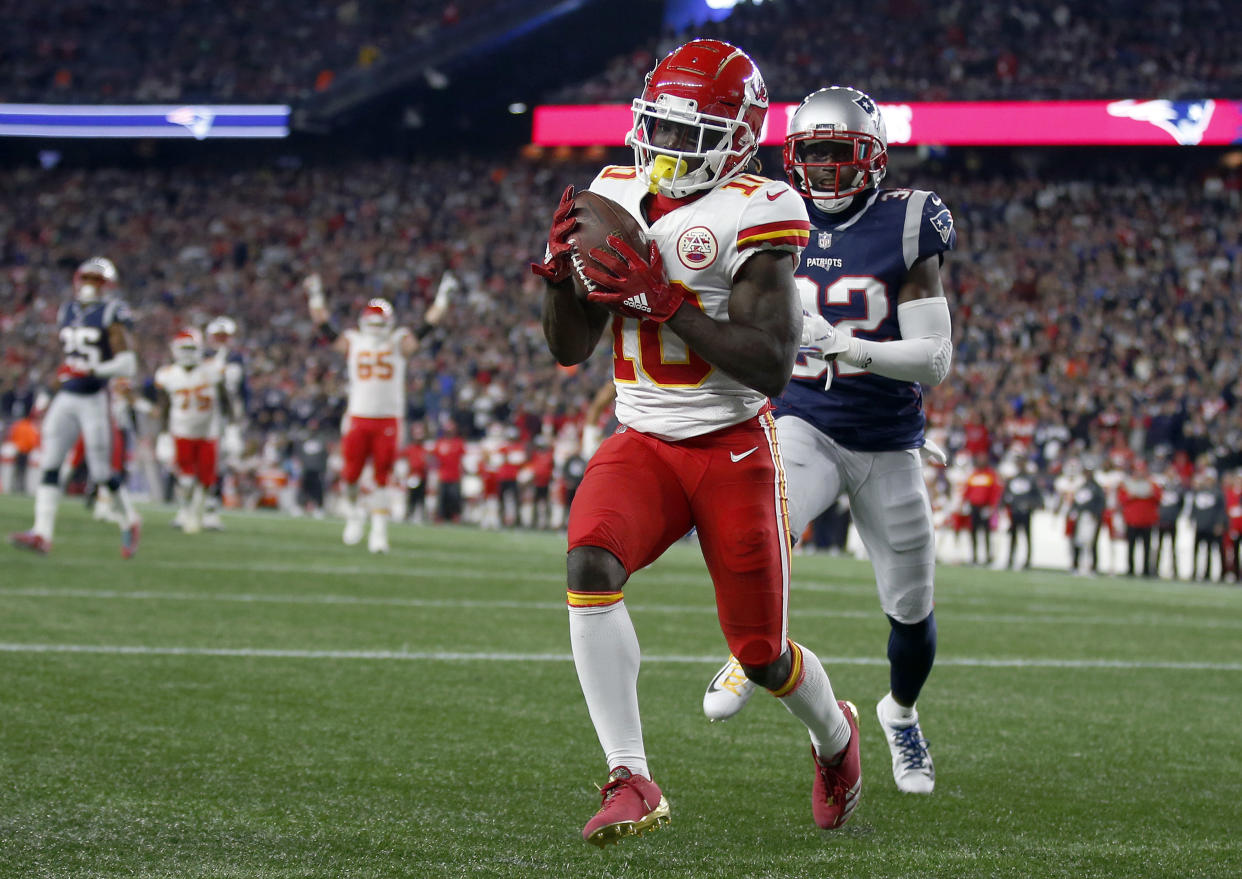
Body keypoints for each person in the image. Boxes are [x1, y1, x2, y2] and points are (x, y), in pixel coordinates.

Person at [534, 40, 861, 846]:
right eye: (661, 128)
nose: (669, 149)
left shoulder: (760, 206)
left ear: (740, 136)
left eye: (692, 132)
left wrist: (665, 298)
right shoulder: (615, 190)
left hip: (732, 448)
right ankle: (629, 774)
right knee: (588, 563)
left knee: (760, 653)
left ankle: (838, 738)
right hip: (642, 435)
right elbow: (571, 347)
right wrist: (557, 279)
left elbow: (773, 363)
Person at [697, 85, 956, 797]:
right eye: (809, 153)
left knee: (910, 605)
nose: (823, 169)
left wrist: (851, 347)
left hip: (886, 438)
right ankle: (751, 650)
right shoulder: (772, 211)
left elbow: (934, 358)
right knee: (762, 527)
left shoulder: (908, 222)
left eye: (837, 154)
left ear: (871, 157)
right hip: (804, 417)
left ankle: (899, 713)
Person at [9, 257, 142, 557]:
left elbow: (128, 362)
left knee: (101, 472)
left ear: (107, 285)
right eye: (88, 278)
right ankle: (42, 533)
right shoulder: (67, 310)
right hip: (67, 396)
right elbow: (67, 358)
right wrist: (49, 389)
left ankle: (130, 519)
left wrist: (96, 368)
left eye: (97, 280)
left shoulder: (112, 312)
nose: (90, 286)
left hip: (94, 397)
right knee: (50, 462)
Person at [306, 273, 448, 552]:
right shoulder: (353, 342)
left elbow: (428, 325)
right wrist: (315, 294)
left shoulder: (398, 342)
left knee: (383, 476)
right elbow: (323, 324)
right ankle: (355, 513)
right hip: (359, 415)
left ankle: (379, 531)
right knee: (350, 475)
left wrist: (442, 297)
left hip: (388, 417)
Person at [154, 329, 235, 534]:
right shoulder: (168, 375)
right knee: (187, 479)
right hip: (181, 430)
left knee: (207, 478)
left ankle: (201, 513)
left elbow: (226, 401)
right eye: (185, 348)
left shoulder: (213, 369)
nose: (188, 353)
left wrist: (233, 429)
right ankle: (185, 511)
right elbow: (163, 406)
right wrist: (163, 435)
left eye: (192, 348)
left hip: (208, 431)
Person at [201, 316, 248, 530]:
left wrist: (239, 419)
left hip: (223, 417)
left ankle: (212, 505)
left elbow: (241, 392)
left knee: (218, 462)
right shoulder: (202, 357)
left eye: (224, 336)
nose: (220, 340)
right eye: (218, 336)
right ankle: (191, 507)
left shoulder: (236, 359)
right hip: (201, 415)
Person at [1117, 458, 1161, 577]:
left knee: (1147, 548)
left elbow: (1158, 498)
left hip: (1147, 521)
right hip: (1132, 521)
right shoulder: (1127, 484)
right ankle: (1130, 569)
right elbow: (1122, 499)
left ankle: (1146, 570)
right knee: (1131, 547)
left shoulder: (1152, 484)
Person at [1001, 452, 1042, 569]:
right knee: (1013, 536)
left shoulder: (1031, 479)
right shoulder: (1012, 479)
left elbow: (1037, 496)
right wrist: (1003, 505)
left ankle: (1027, 560)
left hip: (1025, 511)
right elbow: (1006, 495)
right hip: (1014, 511)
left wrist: (1031, 505)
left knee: (1027, 536)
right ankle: (1010, 559)